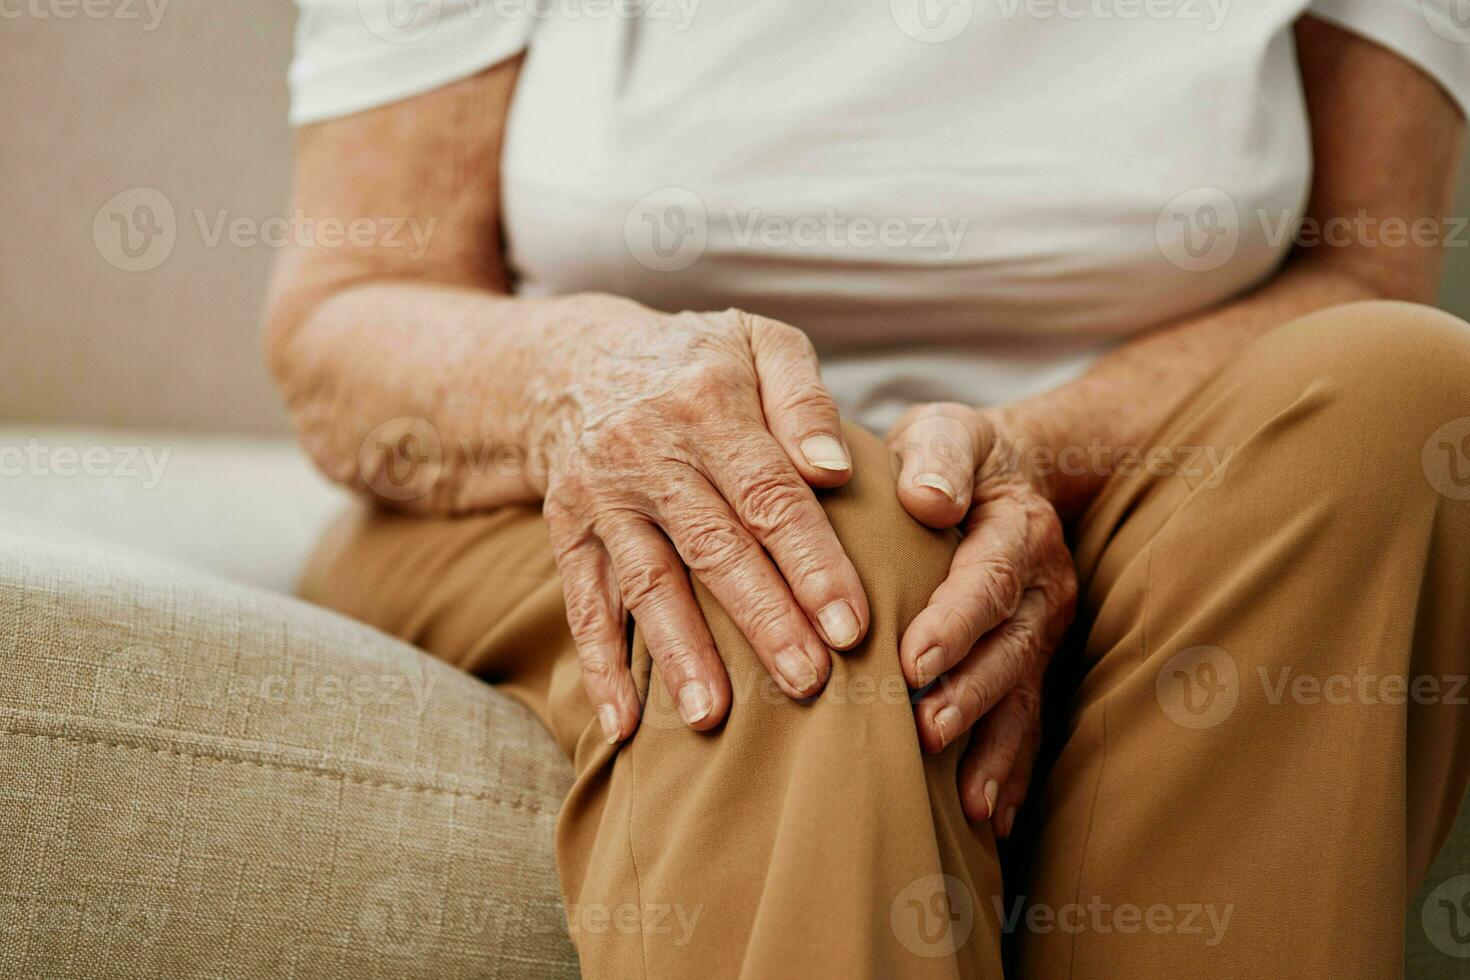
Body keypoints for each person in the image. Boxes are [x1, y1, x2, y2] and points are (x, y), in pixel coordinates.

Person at [268, 2, 1470, 975]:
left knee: (1400, 397)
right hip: (584, 472)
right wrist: (597, 375)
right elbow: (348, 315)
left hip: (1130, 459)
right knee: (810, 549)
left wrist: (1026, 450)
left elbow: (1361, 267)